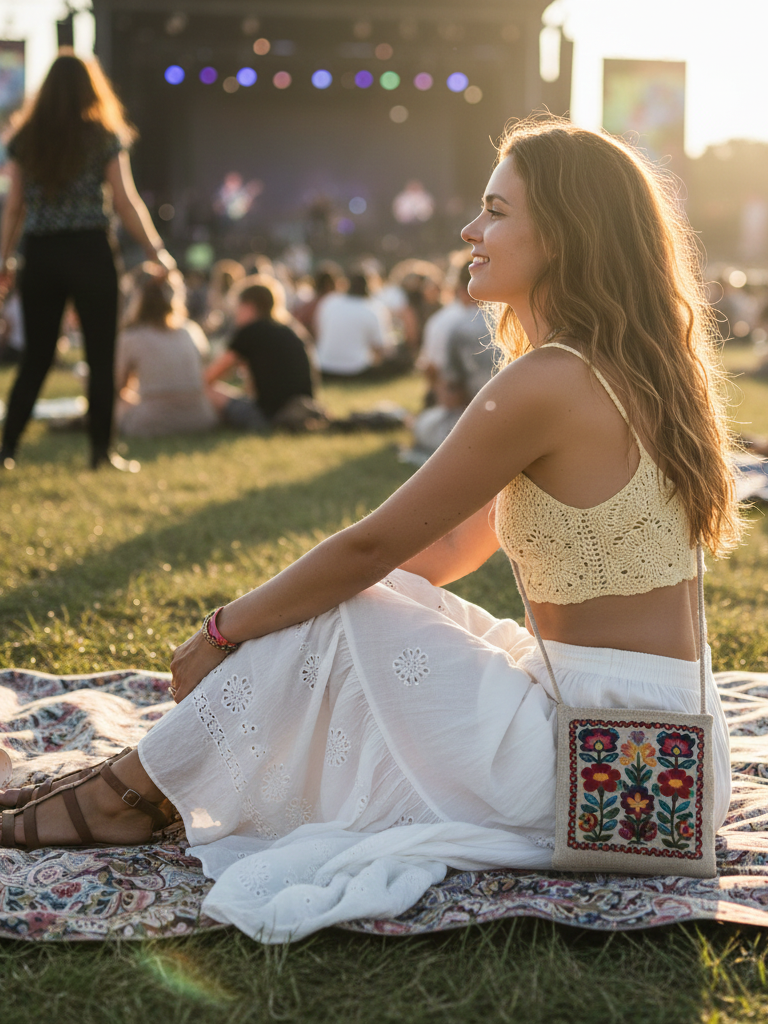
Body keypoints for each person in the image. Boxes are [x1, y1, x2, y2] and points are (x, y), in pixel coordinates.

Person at [0, 118, 742, 946]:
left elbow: (369, 546)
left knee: (344, 600)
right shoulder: (629, 367)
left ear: (565, 237)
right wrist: (293, 619)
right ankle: (142, 784)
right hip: (670, 761)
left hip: (606, 768)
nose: (470, 231)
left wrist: (225, 628)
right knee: (342, 604)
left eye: (495, 211)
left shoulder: (552, 378)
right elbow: (448, 551)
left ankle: (122, 798)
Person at [0, 51, 174, 471]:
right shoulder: (102, 135)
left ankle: (6, 450)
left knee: (37, 356)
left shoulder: (26, 138)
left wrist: (4, 259)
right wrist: (157, 253)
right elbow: (125, 201)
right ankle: (101, 453)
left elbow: (15, 206)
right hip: (91, 250)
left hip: (40, 252)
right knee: (101, 354)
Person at [205, 276, 325, 433]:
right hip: (302, 411)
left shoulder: (250, 332)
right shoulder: (291, 330)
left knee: (206, 391)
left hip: (269, 417)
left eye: (238, 306)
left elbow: (209, 377)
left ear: (248, 306)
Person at [114, 266, 217, 438]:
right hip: (201, 418)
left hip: (152, 422)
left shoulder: (131, 337)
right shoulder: (190, 330)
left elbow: (118, 388)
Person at [315, 271, 397, 377]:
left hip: (324, 366)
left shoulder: (329, 301)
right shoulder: (375, 309)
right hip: (357, 369)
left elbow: (318, 332)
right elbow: (381, 349)